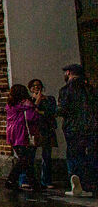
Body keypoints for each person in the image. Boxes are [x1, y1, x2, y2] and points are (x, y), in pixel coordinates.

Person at [59, 63, 98, 197]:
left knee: (74, 154)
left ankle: (76, 180)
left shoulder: (66, 90)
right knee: (91, 155)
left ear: (69, 73)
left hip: (73, 128)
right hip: (91, 126)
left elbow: (63, 109)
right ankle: (90, 184)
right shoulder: (90, 89)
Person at [5, 84, 42, 192]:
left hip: (12, 133)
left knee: (26, 160)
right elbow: (32, 118)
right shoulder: (26, 104)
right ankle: (11, 180)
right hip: (22, 133)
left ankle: (34, 183)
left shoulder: (10, 104)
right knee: (25, 159)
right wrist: (36, 103)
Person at [28, 78, 55, 188]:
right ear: (30, 89)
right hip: (34, 130)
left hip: (46, 129)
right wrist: (36, 103)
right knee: (30, 156)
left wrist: (39, 111)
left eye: (38, 85)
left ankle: (46, 180)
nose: (36, 87)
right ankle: (30, 180)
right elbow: (30, 114)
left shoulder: (49, 99)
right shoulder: (28, 101)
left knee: (47, 156)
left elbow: (51, 112)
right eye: (33, 86)